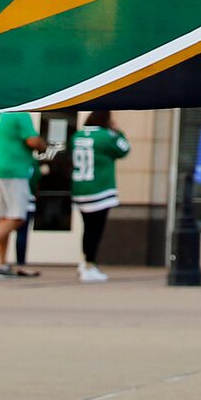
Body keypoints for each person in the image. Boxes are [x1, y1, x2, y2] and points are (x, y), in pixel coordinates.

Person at [0, 108, 44, 278]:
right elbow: (32, 141)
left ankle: (2, 263)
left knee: (4, 218)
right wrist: (43, 144)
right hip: (15, 170)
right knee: (17, 217)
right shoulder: (21, 114)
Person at [70, 109, 130, 282]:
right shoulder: (105, 136)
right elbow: (125, 149)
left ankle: (85, 262)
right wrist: (118, 131)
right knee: (95, 230)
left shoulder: (77, 136)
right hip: (100, 188)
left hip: (81, 187)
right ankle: (90, 264)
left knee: (87, 228)